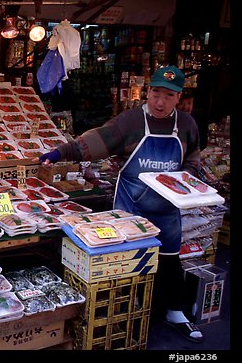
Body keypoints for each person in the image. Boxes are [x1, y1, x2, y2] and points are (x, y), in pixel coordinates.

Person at [37, 65, 204, 343]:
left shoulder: (186, 125)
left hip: (167, 209)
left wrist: (190, 180)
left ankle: (175, 312)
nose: (160, 102)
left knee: (170, 263)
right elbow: (95, 142)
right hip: (132, 209)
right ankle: (128, 315)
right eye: (155, 94)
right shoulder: (131, 122)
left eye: (168, 96)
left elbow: (193, 159)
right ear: (148, 92)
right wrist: (59, 152)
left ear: (178, 98)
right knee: (129, 266)